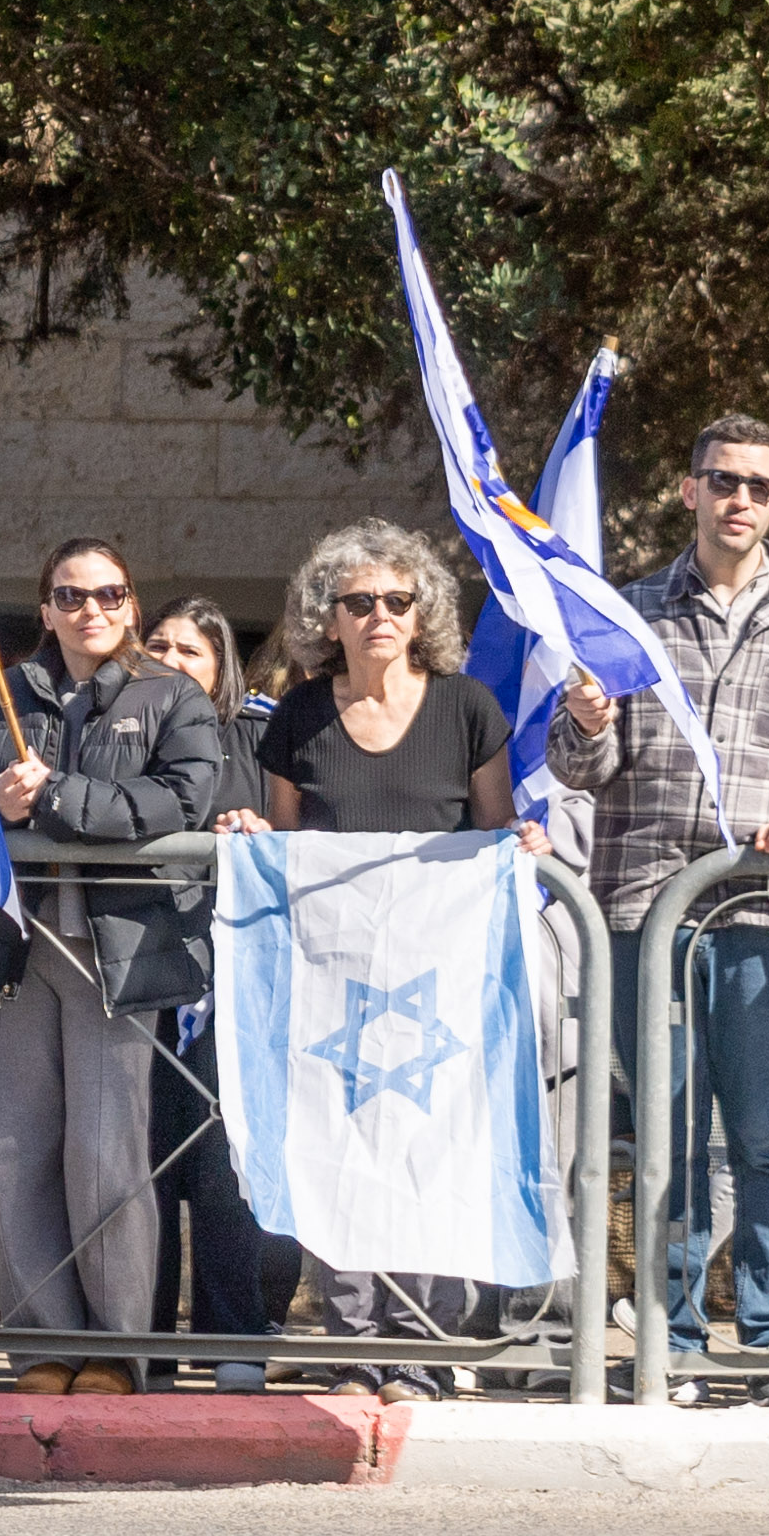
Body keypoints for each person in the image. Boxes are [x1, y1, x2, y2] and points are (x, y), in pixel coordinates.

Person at [553, 417, 769, 1406]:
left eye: (762, 487)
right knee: (665, 1137)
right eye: (724, 481)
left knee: (763, 1138)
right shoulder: (628, 614)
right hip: (644, 909)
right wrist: (584, 725)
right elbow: (579, 770)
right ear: (690, 492)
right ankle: (675, 1344)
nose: (742, 499)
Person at [237, 522, 525, 1388]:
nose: (379, 617)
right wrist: (250, 836)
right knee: (341, 1146)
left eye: (398, 601)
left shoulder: (467, 708)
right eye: (359, 603)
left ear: (423, 611)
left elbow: (493, 830)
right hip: (332, 978)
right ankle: (356, 1344)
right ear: (329, 618)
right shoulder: (297, 716)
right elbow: (285, 844)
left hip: (440, 977)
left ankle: (423, 1347)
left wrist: (524, 844)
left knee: (432, 1145)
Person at [0, 538, 228, 1391]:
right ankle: (45, 1344)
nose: (93, 611)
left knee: (107, 1154)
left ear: (131, 604)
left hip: (118, 947)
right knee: (18, 1149)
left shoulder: (173, 695)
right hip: (18, 942)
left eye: (110, 595)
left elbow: (179, 803)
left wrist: (54, 799)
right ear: (45, 609)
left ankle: (119, 1351)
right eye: (72, 596)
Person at [135, 600, 290, 1373]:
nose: (169, 658)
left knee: (229, 1164)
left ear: (220, 665)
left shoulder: (258, 736)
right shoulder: (118, 733)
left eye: (190, 649)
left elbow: (300, 828)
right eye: (156, 644)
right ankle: (150, 1343)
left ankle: (235, 1335)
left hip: (237, 978)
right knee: (149, 1160)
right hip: (138, 969)